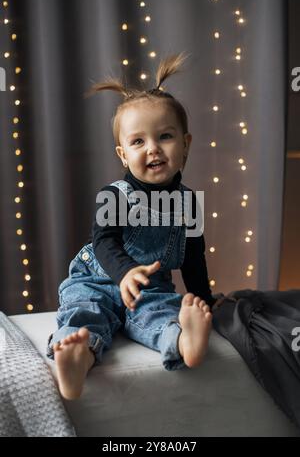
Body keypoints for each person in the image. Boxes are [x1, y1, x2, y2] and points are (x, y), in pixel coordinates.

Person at [47, 52, 217, 400]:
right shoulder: (116, 195)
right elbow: (104, 241)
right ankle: (76, 357)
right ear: (123, 154)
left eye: (165, 137)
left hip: (149, 288)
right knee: (85, 310)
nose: (152, 149)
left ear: (185, 145)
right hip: (98, 279)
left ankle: (183, 340)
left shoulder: (188, 203)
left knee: (159, 313)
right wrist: (124, 273)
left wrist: (205, 299)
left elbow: (194, 258)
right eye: (138, 141)